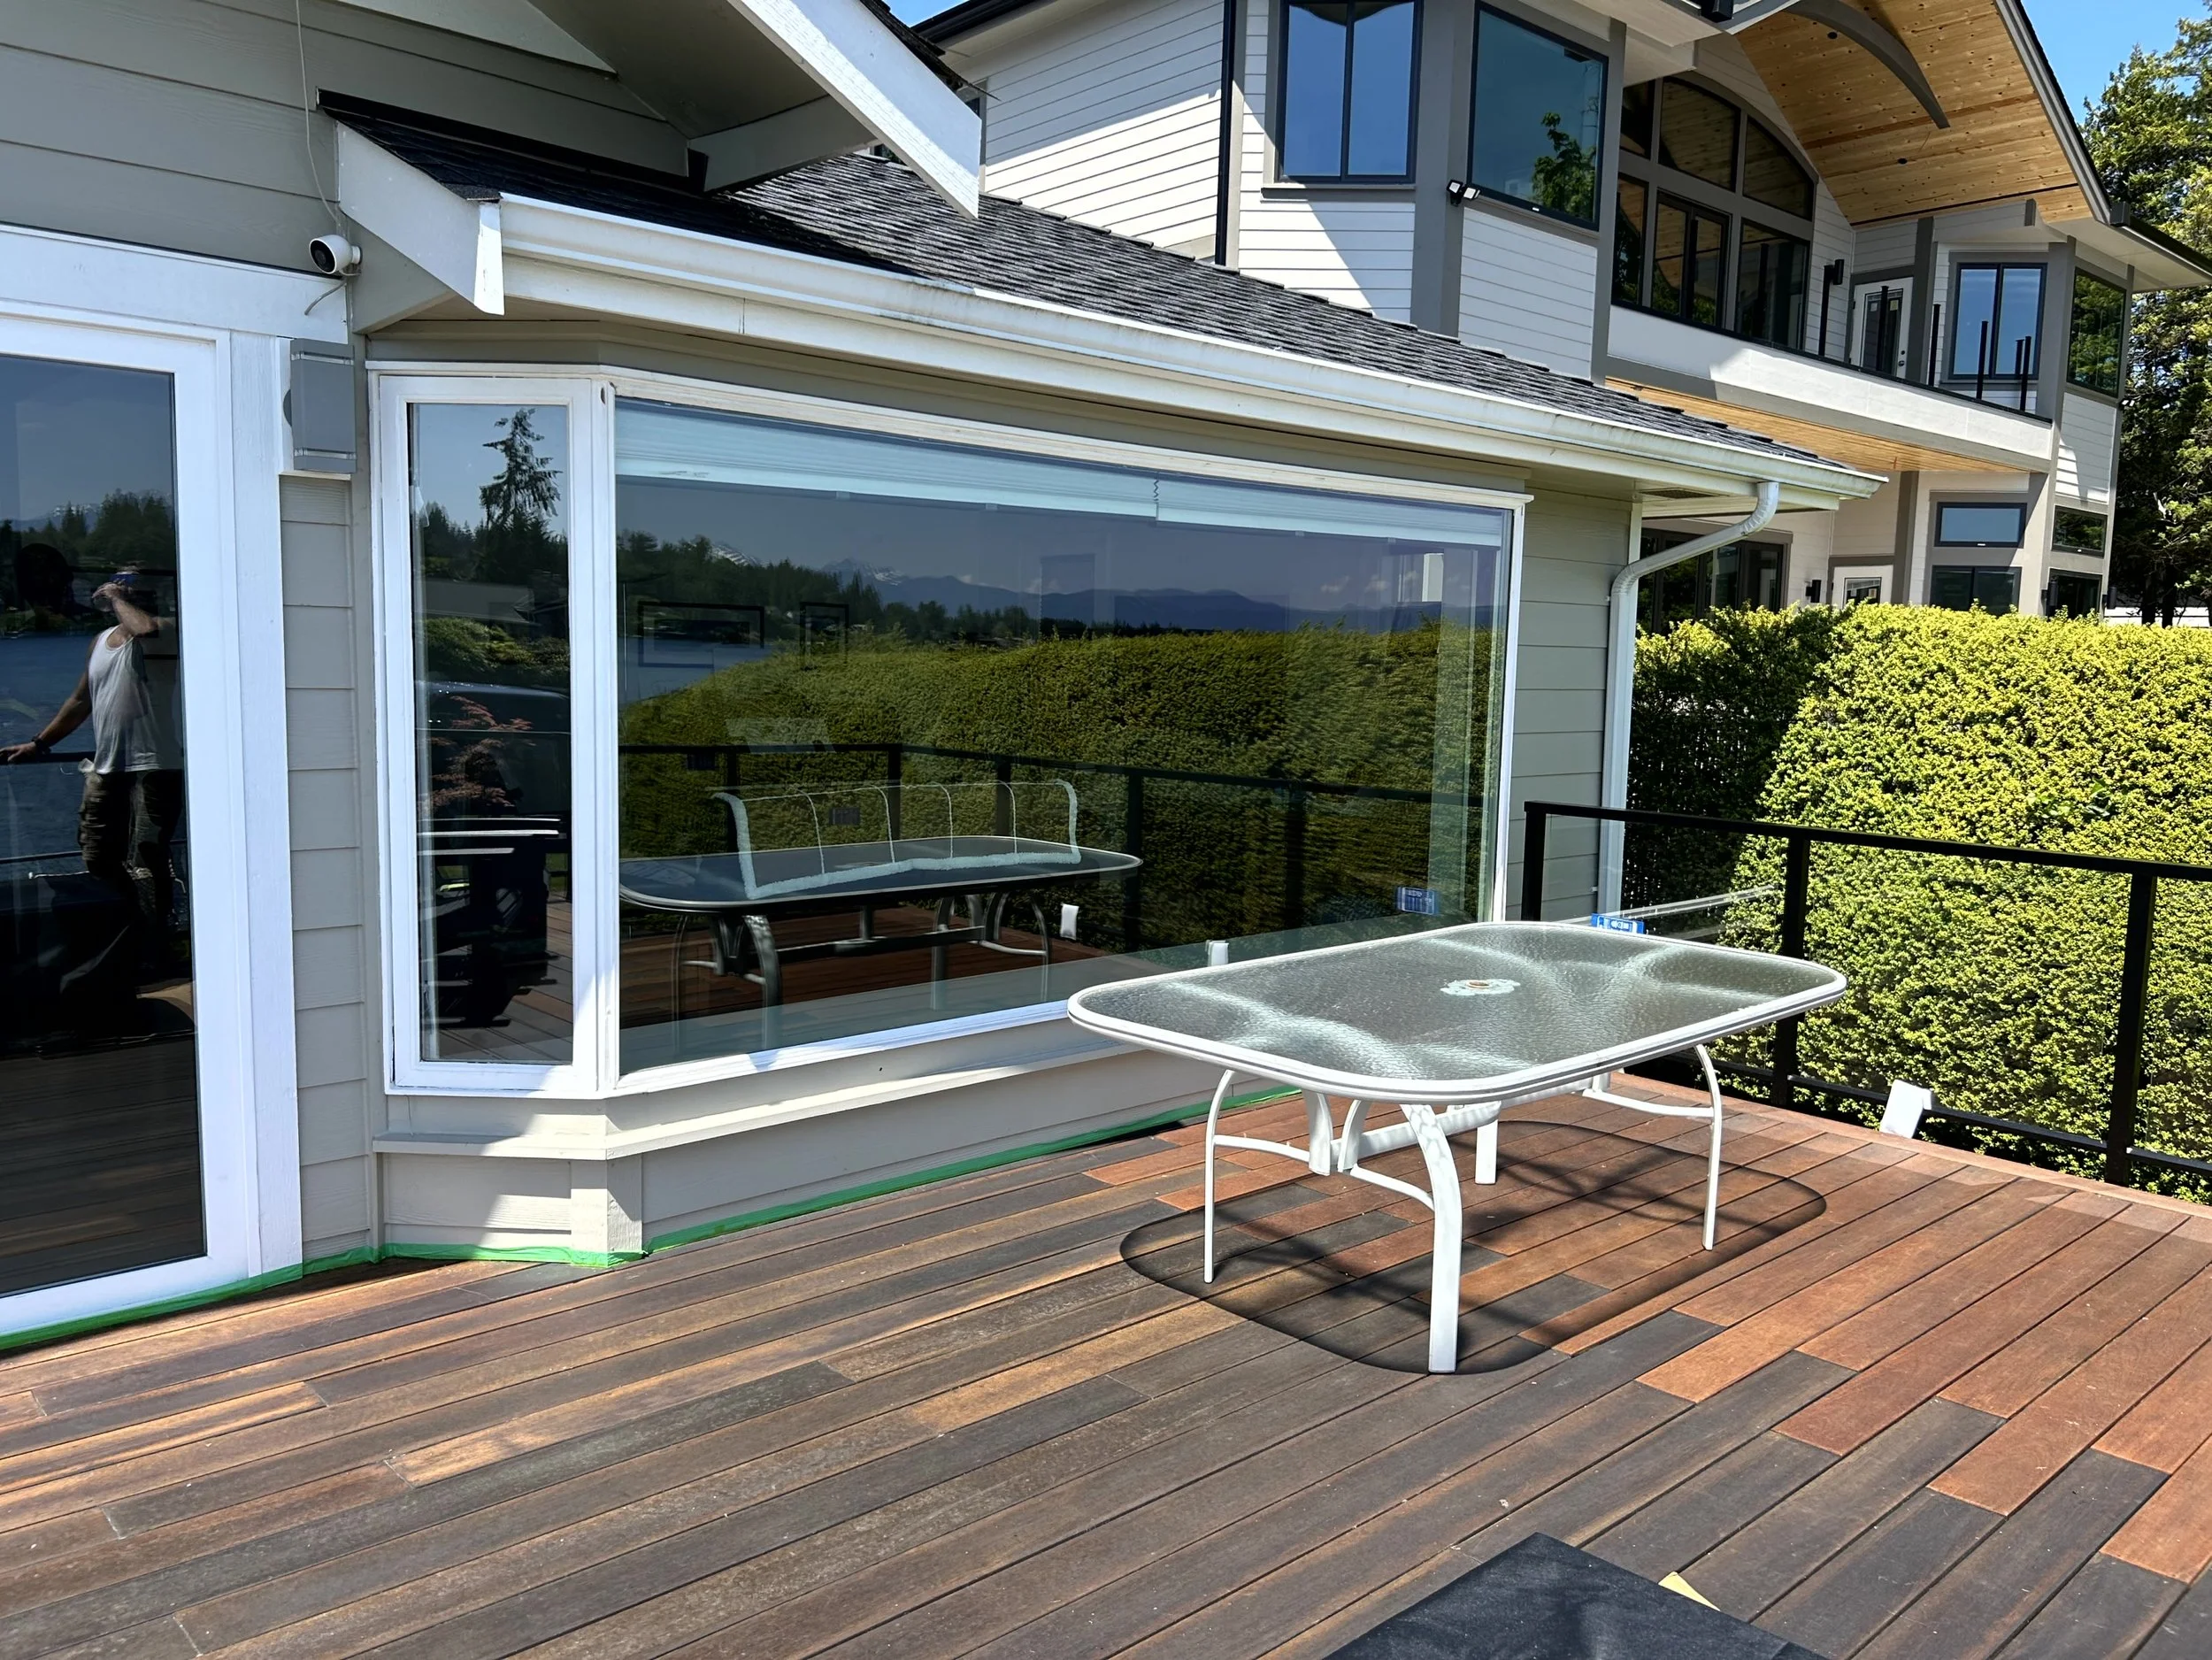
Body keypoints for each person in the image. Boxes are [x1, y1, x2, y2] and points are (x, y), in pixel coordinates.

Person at [1, 565, 184, 969]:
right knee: (98, 853)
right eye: (120, 582)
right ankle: (123, 932)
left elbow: (145, 629)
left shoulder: (167, 627)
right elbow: (81, 700)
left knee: (149, 856)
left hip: (157, 765)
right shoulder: (100, 641)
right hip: (108, 766)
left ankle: (158, 946)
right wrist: (38, 743)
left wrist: (119, 599)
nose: (122, 589)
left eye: (132, 584)